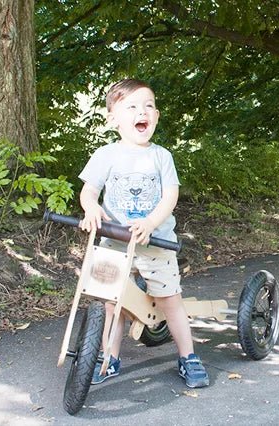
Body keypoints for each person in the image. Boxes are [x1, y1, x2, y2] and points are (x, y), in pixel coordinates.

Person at [78, 78, 209, 388]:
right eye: (133, 106)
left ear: (156, 116)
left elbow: (170, 196)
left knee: (169, 300)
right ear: (113, 119)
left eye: (148, 106)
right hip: (114, 241)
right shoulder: (106, 155)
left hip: (155, 244)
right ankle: (110, 358)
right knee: (112, 304)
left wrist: (150, 223)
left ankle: (188, 356)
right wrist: (91, 209)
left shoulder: (160, 156)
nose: (143, 111)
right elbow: (89, 191)